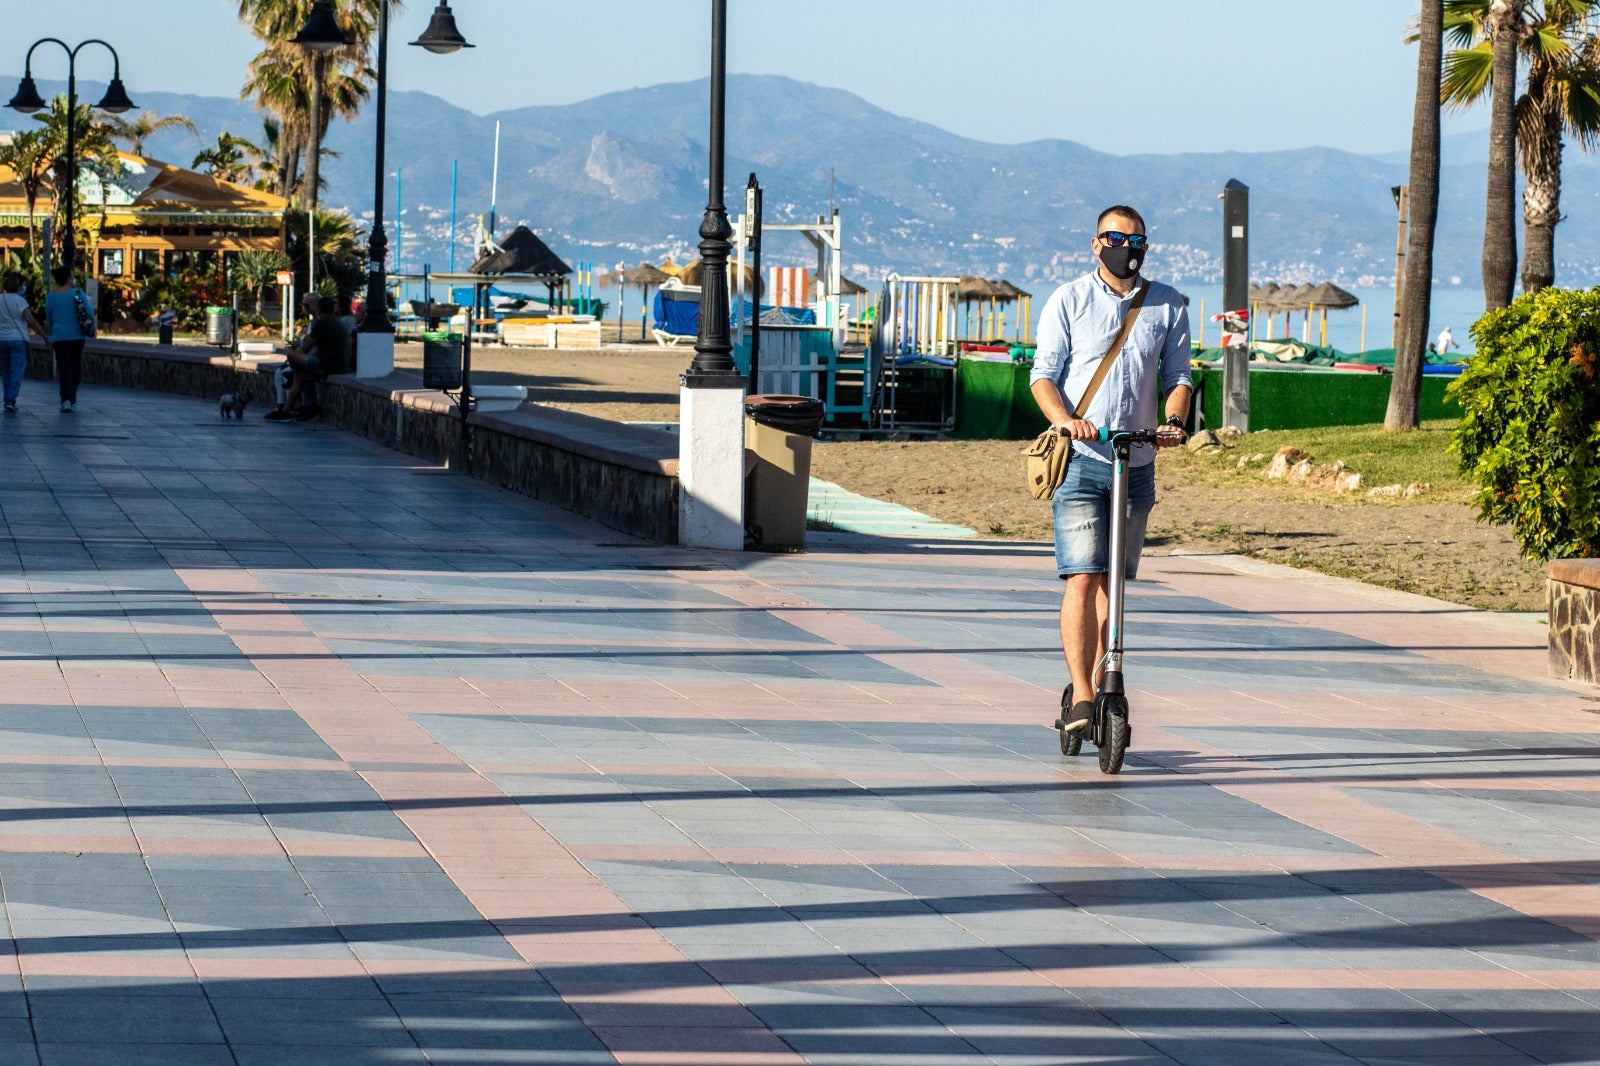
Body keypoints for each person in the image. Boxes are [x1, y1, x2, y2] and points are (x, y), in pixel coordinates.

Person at [1028, 205, 1193, 734]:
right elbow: (1043, 376)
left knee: (1114, 584)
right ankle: (1080, 694)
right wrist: (1066, 421)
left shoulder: (1167, 304)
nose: (1127, 246)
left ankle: (1107, 679)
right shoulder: (1069, 299)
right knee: (1083, 575)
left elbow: (1179, 377)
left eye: (1136, 239)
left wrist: (1172, 420)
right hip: (1080, 461)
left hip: (1136, 460)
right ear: (1096, 243)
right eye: (1116, 237)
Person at [265, 295, 350, 422]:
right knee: (300, 375)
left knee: (291, 355)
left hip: (327, 365)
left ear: (319, 309)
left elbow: (306, 347)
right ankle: (288, 410)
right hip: (340, 366)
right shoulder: (336, 321)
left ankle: (292, 374)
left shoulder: (322, 322)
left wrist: (296, 353)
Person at [0, 272, 48, 414]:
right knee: (17, 372)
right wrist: (44, 336)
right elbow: (31, 321)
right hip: (18, 340)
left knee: (6, 372)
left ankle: (7, 399)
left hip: (1, 340)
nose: (24, 287)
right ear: (18, 286)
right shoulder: (20, 301)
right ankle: (10, 399)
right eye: (23, 284)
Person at [44, 265, 91, 412]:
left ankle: (65, 400)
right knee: (75, 368)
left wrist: (50, 335)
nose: (74, 277)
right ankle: (72, 397)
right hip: (77, 336)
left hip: (59, 337)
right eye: (72, 274)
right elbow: (89, 312)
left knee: (64, 368)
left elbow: (49, 318)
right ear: (68, 278)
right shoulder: (78, 293)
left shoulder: (50, 297)